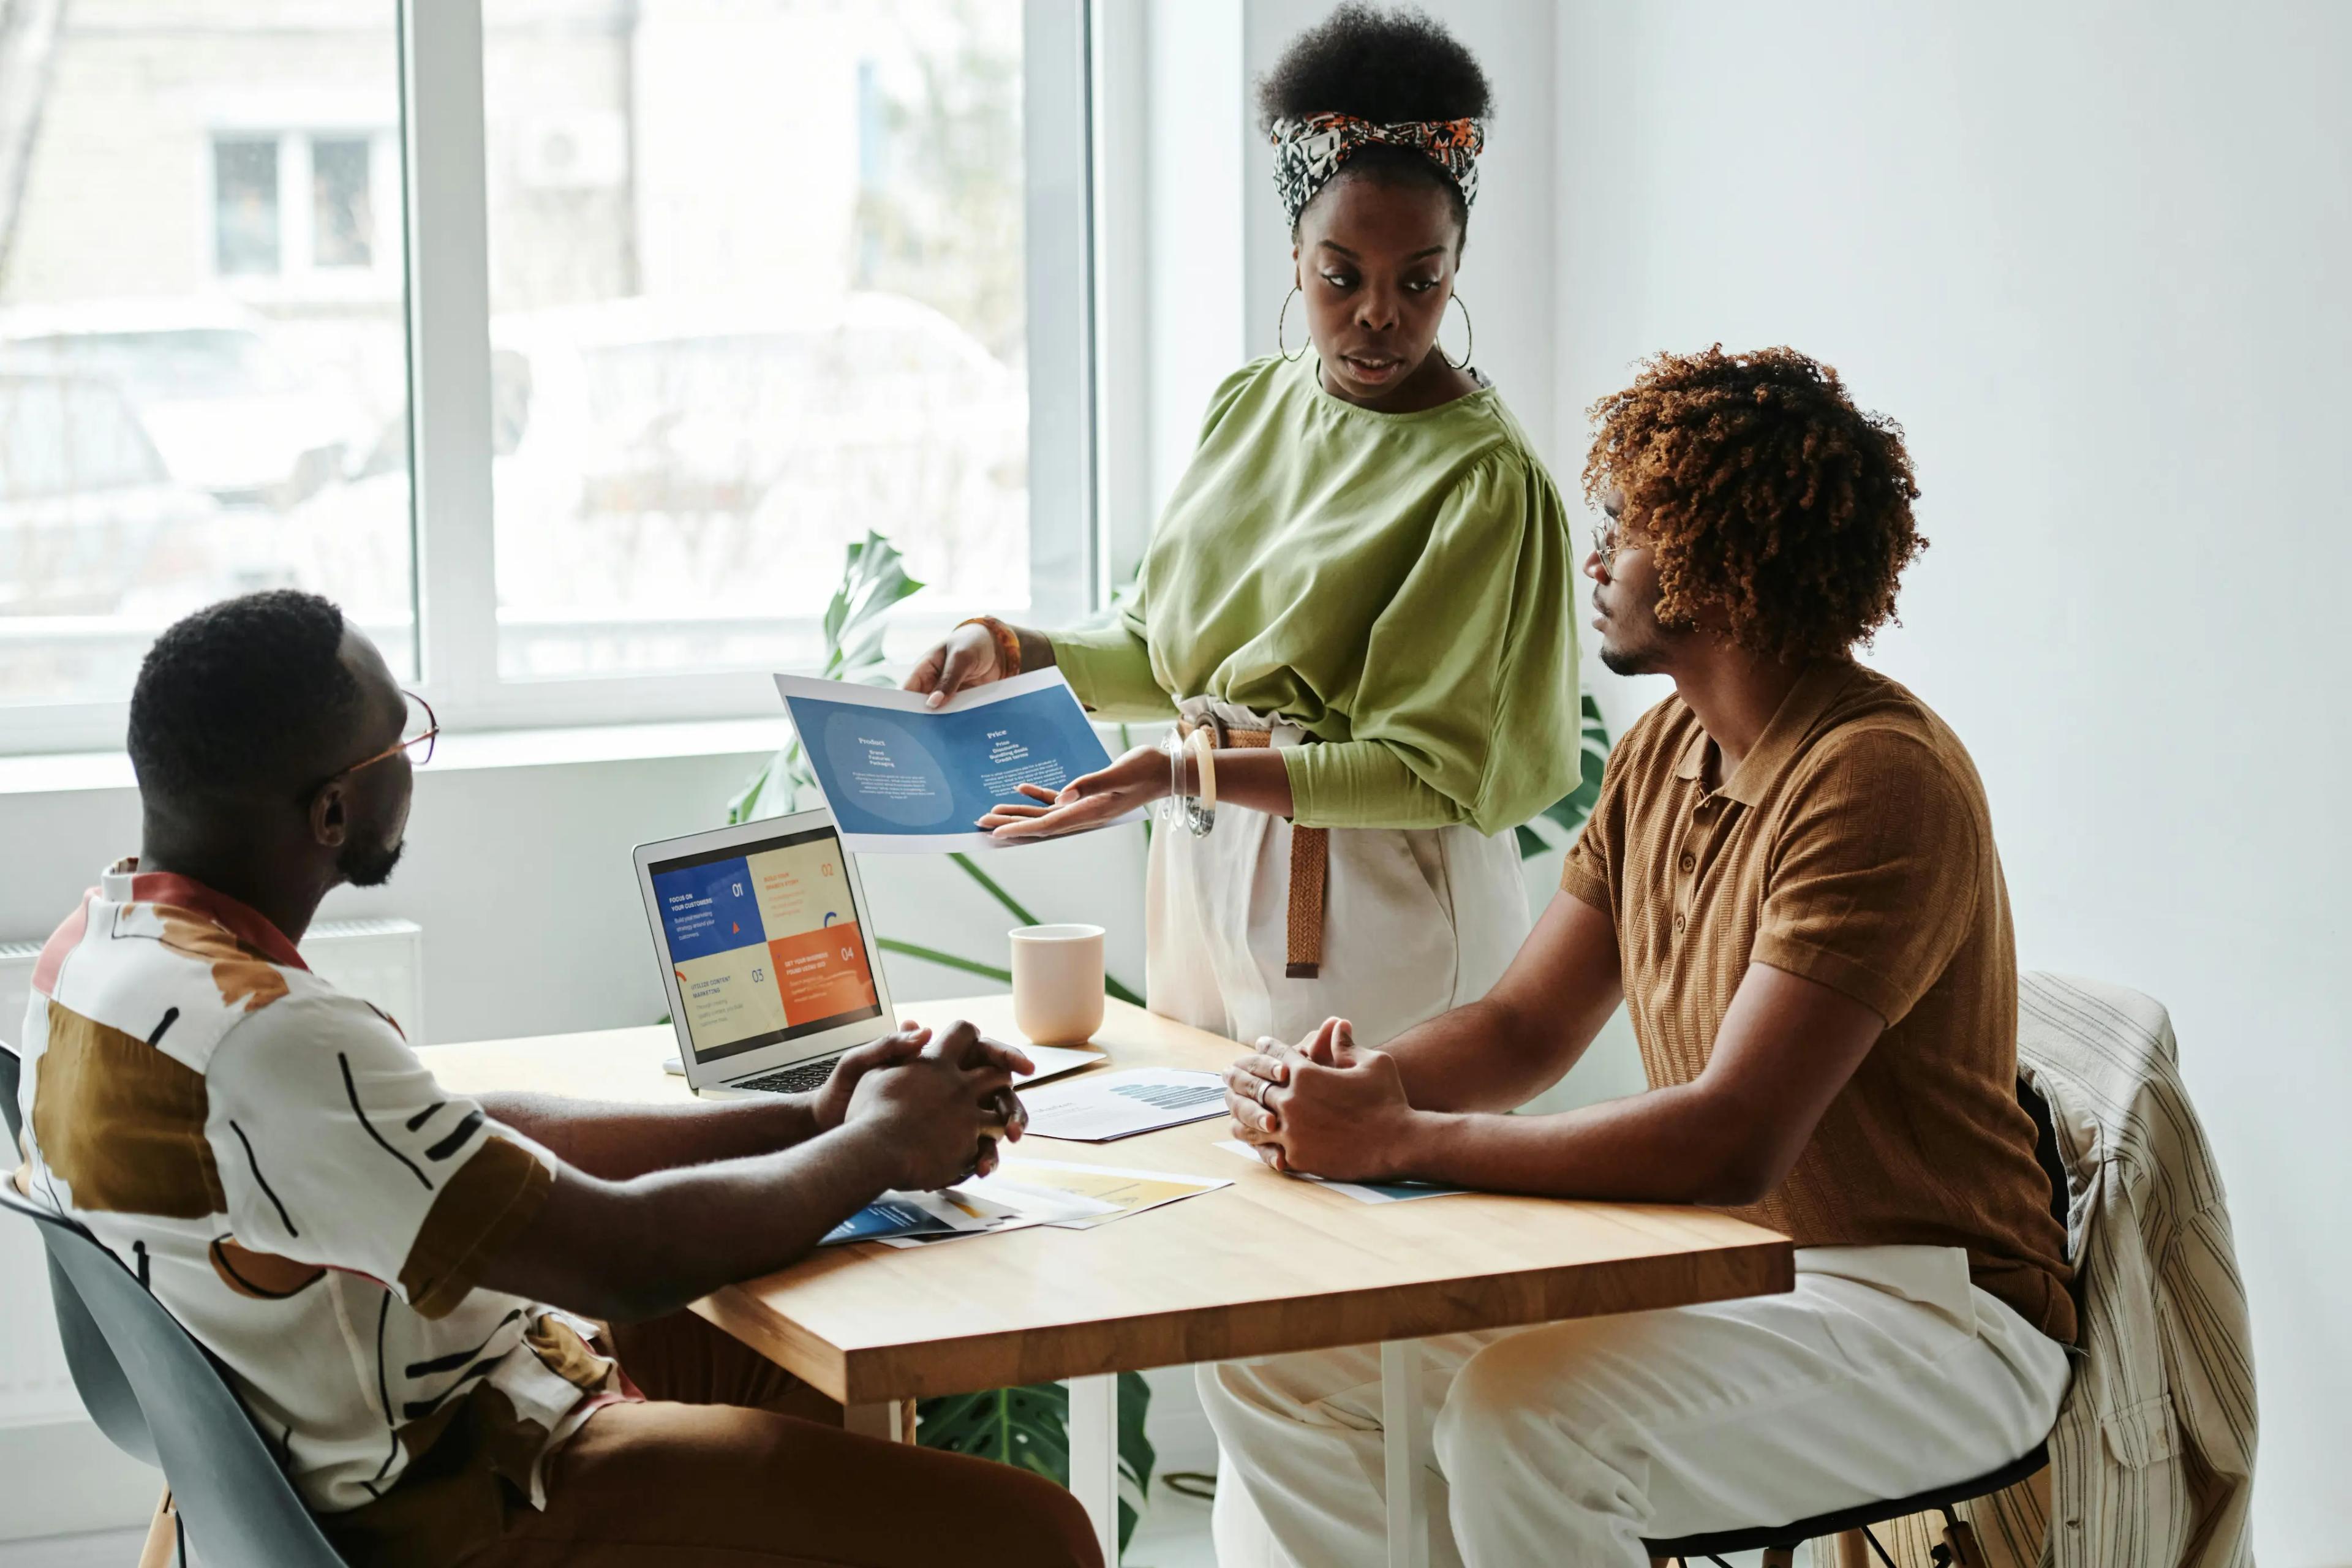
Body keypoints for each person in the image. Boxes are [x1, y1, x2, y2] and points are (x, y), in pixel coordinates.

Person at [10, 591, 1099, 1568]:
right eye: (404, 740)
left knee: (812, 1374)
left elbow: (460, 1136)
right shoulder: (268, 1043)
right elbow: (627, 1261)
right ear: (331, 813)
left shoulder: (100, 958)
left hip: (328, 1445)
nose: (413, 758)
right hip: (445, 1501)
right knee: (1034, 1534)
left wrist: (804, 1119)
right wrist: (879, 1148)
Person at [1207, 347, 2076, 1567]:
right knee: (1282, 1349)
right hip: (1731, 1269)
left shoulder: (1877, 780)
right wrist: (1360, 1086)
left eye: (1624, 524)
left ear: (1727, 560)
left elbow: (1734, 1137)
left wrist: (1398, 1139)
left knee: (1533, 1422)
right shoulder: (1666, 747)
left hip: (1933, 1308)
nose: (1595, 556)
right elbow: (1522, 1028)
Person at [907, 3, 1580, 1055]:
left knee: (1377, 1207)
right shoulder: (1251, 406)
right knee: (1210, 1181)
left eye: (1421, 279)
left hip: (1365, 890)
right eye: (1340, 273)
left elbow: (1423, 771)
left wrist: (1187, 775)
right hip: (1203, 856)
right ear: (1295, 251)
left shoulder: (1481, 480)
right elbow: (1164, 654)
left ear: (1458, 263)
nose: (1378, 314)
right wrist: (1012, 650)